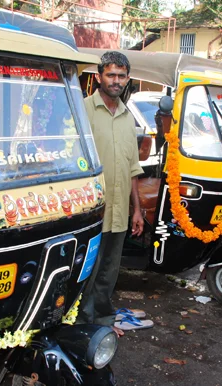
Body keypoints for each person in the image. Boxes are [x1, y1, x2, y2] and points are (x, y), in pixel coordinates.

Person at [78, 51, 152, 334]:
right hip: (92, 212)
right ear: (99, 77)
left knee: (109, 272)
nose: (116, 80)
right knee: (88, 272)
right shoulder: (83, 110)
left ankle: (104, 321)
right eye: (111, 75)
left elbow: (132, 168)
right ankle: (85, 327)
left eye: (121, 76)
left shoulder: (126, 117)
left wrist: (137, 210)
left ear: (128, 79)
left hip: (120, 210)